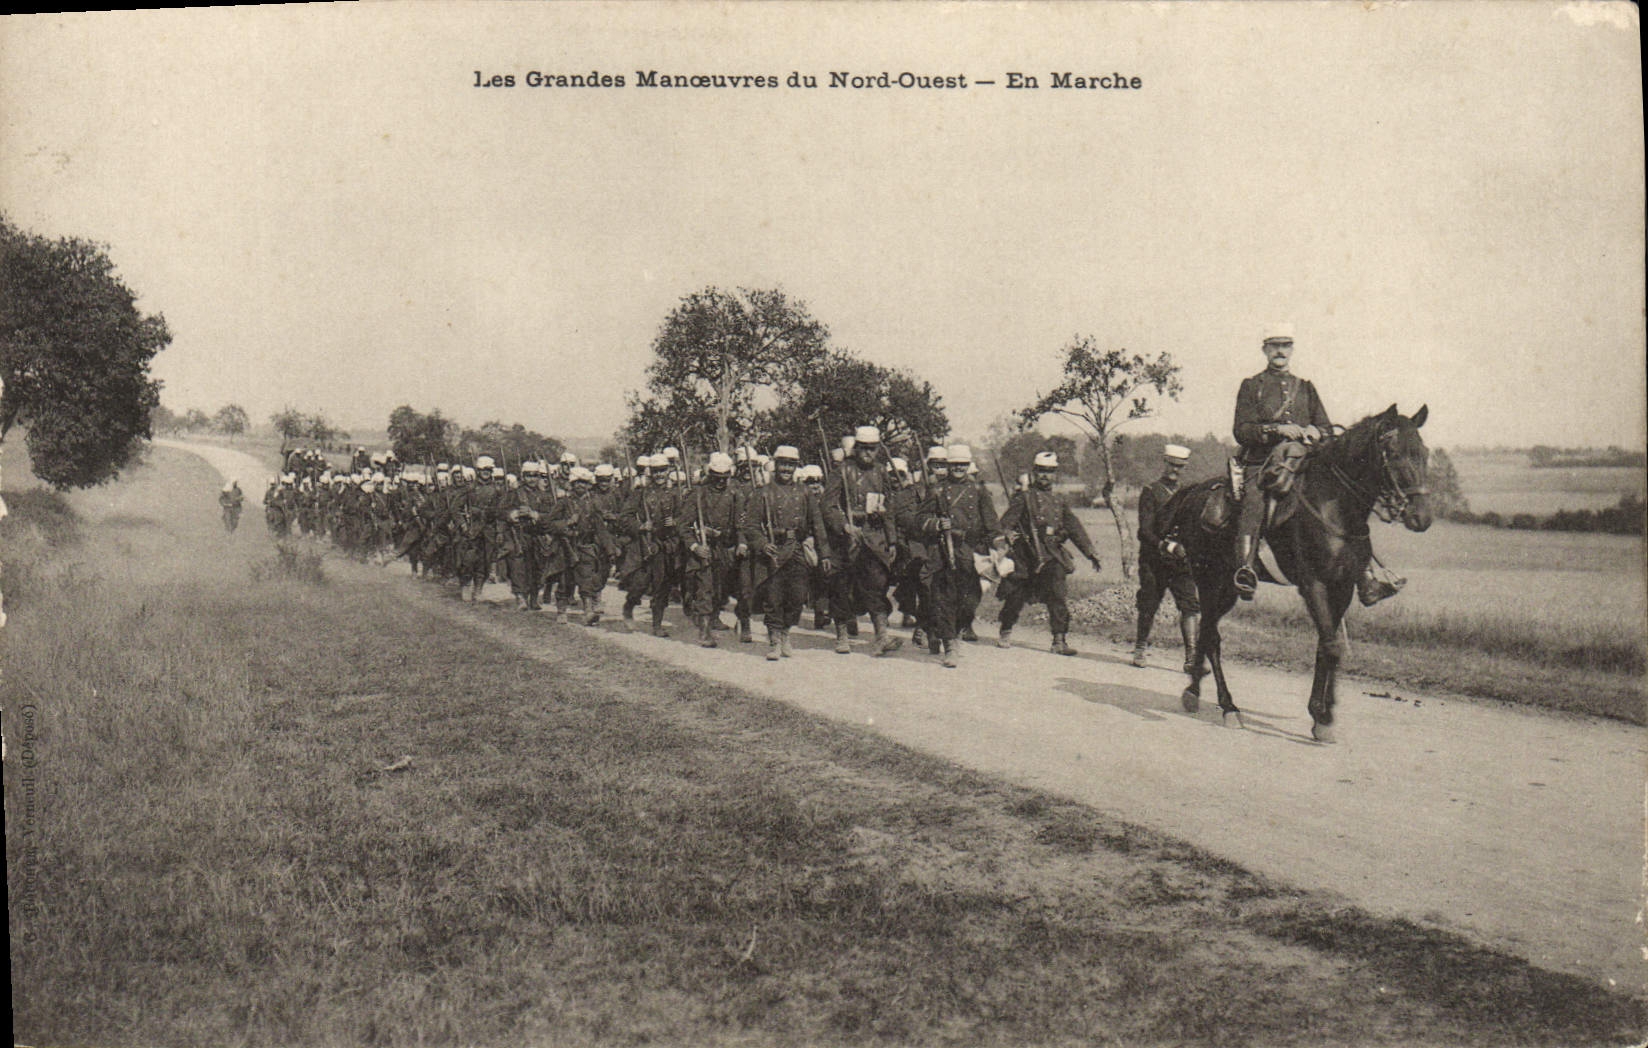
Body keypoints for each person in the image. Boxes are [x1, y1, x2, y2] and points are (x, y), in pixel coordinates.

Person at [1232, 323, 1331, 599]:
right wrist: (1275, 431)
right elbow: (1241, 430)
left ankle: (1364, 571)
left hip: (1302, 461)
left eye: (1285, 345)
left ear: (1292, 350)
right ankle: (1246, 568)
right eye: (1274, 345)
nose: (1280, 351)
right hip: (1263, 462)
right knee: (1253, 500)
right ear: (1265, 349)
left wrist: (1316, 432)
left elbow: (1325, 427)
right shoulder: (1252, 386)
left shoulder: (1306, 388)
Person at [995, 451, 1102, 655]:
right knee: (1015, 596)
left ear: (1055, 474)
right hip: (1025, 556)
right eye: (1041, 471)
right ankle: (1006, 629)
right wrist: (1008, 535)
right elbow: (1004, 524)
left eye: (1050, 472)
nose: (1045, 475)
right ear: (1034, 473)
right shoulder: (1023, 499)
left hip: (1051, 555)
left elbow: (1074, 527)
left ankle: (1059, 640)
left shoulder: (1058, 500)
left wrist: (1090, 552)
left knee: (1058, 593)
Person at [742, 446, 830, 660]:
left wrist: (824, 553)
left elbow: (817, 524)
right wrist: (762, 543)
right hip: (773, 551)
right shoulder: (762, 493)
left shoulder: (805, 492)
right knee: (773, 597)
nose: (786, 469)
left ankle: (786, 632)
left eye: (791, 465)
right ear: (776, 465)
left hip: (797, 549)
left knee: (798, 596)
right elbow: (751, 526)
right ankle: (774, 640)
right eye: (783, 464)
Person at [822, 426, 903, 656]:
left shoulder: (880, 471)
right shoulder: (841, 471)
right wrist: (843, 525)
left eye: (873, 449)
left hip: (873, 537)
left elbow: (889, 508)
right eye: (864, 448)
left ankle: (881, 636)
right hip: (846, 537)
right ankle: (842, 634)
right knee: (842, 586)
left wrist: (892, 540)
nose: (868, 453)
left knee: (876, 586)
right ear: (856, 449)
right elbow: (827, 506)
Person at [1131, 444, 1200, 670]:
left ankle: (1191, 657)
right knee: (1149, 603)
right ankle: (1140, 648)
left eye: (1180, 466)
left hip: (1180, 562)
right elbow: (1144, 530)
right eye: (1172, 465)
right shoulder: (1151, 491)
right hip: (1154, 560)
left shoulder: (1188, 494)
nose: (1175, 470)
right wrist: (1165, 546)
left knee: (1190, 605)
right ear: (1165, 463)